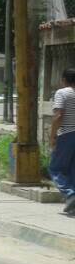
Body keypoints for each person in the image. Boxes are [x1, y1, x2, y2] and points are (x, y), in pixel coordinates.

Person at [49, 67, 75, 215]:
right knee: (72, 169)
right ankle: (71, 203)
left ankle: (70, 194)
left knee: (55, 168)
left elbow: (59, 116)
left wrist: (53, 135)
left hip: (66, 134)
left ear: (64, 80)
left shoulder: (62, 93)